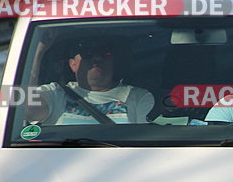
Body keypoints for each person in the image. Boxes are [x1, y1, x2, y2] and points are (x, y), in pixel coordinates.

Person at [26, 36, 154, 125]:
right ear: (73, 65)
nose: (97, 58)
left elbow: (148, 142)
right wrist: (37, 53)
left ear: (113, 62)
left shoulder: (138, 97)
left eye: (105, 53)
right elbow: (23, 110)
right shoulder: (55, 94)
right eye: (87, 54)